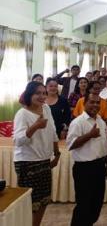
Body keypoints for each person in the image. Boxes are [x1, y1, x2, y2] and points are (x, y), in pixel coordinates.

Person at [13, 82, 61, 226]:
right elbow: (18, 140)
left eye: (44, 93)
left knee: (44, 200)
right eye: (37, 93)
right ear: (29, 95)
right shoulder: (22, 114)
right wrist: (35, 127)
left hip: (44, 160)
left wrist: (57, 153)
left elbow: (52, 131)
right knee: (30, 203)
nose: (41, 96)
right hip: (27, 162)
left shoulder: (46, 108)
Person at [66, 93, 107, 226]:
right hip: (84, 169)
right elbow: (70, 145)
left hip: (99, 167)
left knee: (96, 204)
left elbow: (104, 144)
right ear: (84, 103)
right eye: (92, 102)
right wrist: (89, 135)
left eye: (98, 103)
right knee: (83, 206)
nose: (95, 105)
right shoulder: (78, 122)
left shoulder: (100, 121)